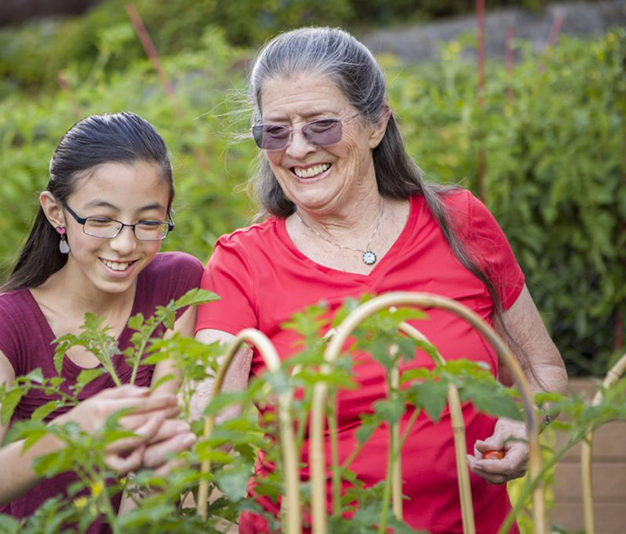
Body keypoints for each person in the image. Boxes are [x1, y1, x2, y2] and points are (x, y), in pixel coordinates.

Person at [194, 27, 568, 534]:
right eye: (275, 131)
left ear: (376, 123)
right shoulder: (241, 263)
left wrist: (523, 423)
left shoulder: (461, 224)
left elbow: (542, 371)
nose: (298, 148)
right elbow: (212, 437)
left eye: (321, 125)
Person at [0, 112, 201, 531]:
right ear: (57, 212)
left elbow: (153, 460)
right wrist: (70, 432)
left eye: (149, 223)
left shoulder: (176, 286)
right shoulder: (6, 322)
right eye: (101, 220)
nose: (125, 244)